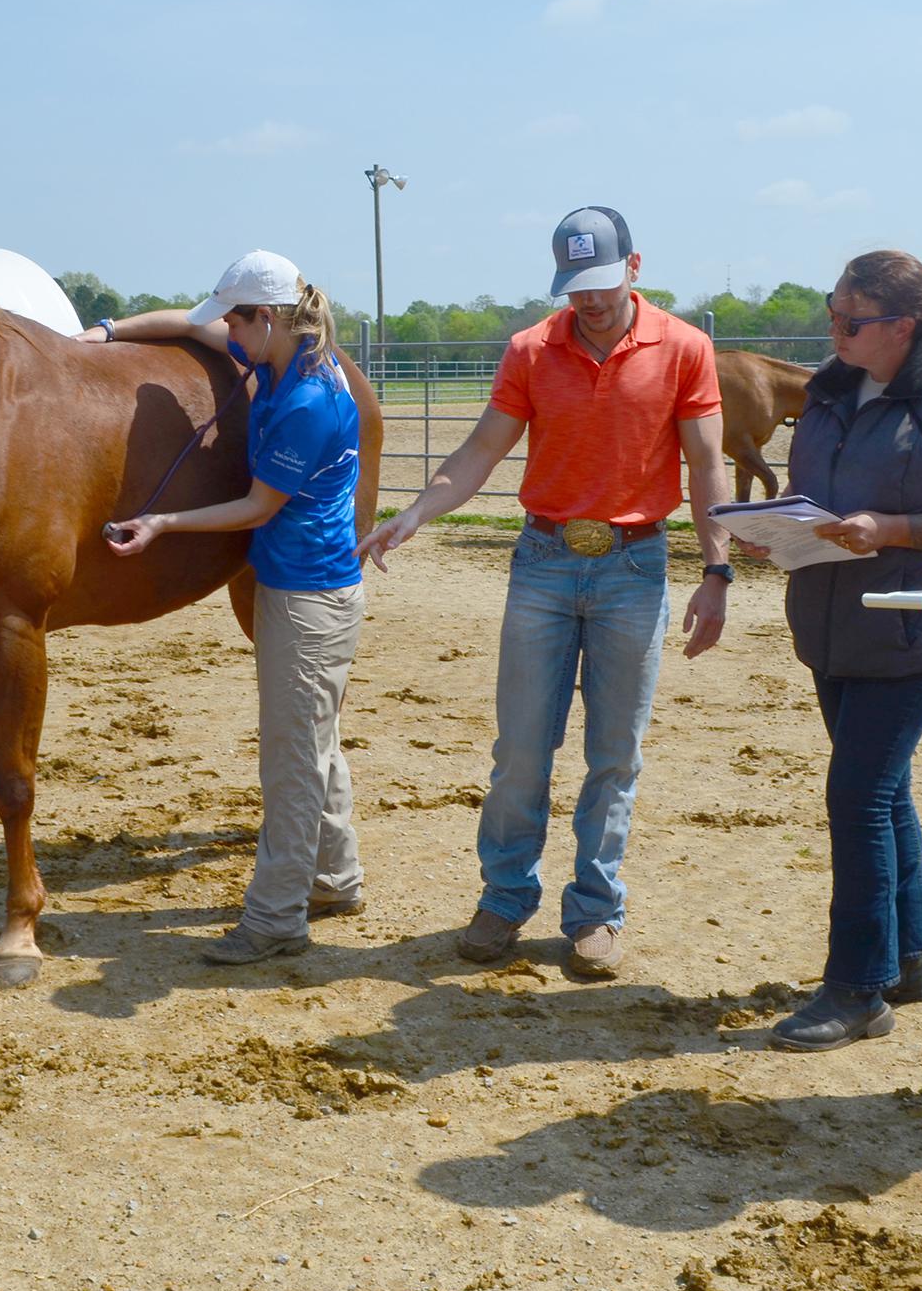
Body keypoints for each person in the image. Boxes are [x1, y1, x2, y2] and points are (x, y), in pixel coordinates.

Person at [358, 206, 731, 977]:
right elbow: (481, 450)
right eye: (573, 287)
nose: (587, 301)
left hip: (635, 566)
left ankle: (596, 911)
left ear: (634, 267)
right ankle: (504, 897)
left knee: (614, 754)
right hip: (543, 563)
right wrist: (416, 513)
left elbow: (708, 466)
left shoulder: (686, 349)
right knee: (522, 749)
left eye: (599, 283)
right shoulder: (531, 350)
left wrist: (717, 568)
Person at [747, 251, 922, 1052]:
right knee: (882, 789)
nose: (835, 329)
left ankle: (856, 988)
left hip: (913, 624)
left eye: (851, 319)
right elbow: (823, 497)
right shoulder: (831, 385)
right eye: (833, 312)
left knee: (858, 795)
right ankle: (904, 958)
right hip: (831, 619)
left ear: (905, 326)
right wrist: (784, 531)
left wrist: (891, 530)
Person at [83, 252, 365, 965]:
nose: (226, 336)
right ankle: (335, 877)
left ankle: (275, 920)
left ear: (265, 318)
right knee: (314, 743)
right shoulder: (280, 354)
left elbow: (255, 506)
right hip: (304, 587)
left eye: (235, 323)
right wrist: (107, 332)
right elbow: (185, 324)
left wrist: (163, 525)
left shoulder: (307, 402)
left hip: (307, 600)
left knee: (291, 761)